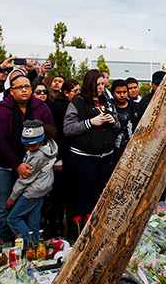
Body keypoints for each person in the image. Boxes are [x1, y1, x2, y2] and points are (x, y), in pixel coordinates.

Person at [0, 74, 55, 241]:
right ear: (11, 90)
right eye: (19, 87)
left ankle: (29, 244)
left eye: (27, 87)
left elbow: (51, 133)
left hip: (33, 164)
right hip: (1, 164)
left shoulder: (40, 107)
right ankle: (2, 242)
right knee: (3, 206)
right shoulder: (1, 108)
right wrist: (17, 164)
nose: (24, 90)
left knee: (30, 206)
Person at [63, 69, 119, 219]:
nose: (101, 87)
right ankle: (81, 230)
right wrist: (90, 123)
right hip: (84, 157)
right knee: (84, 196)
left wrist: (113, 122)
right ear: (90, 83)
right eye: (98, 84)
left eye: (103, 84)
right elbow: (67, 129)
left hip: (106, 156)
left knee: (101, 196)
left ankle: (97, 229)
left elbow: (117, 124)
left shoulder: (107, 101)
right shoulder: (78, 102)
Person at [6, 120, 58, 245]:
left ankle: (32, 243)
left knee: (13, 219)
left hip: (32, 191)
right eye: (26, 145)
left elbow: (25, 178)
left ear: (41, 140)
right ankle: (37, 245)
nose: (29, 148)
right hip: (42, 189)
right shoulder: (49, 146)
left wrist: (12, 197)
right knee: (33, 219)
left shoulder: (37, 156)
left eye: (32, 145)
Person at [45, 79, 79, 239]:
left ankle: (73, 228)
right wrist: (57, 158)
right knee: (59, 195)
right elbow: (55, 134)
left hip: (74, 157)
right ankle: (57, 230)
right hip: (60, 157)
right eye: (75, 91)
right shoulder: (56, 107)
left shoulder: (79, 105)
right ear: (66, 93)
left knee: (73, 195)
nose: (78, 93)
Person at [111, 80, 139, 163]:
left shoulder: (135, 107)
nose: (122, 95)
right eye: (118, 92)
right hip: (113, 151)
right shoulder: (108, 107)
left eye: (124, 92)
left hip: (131, 150)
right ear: (113, 93)